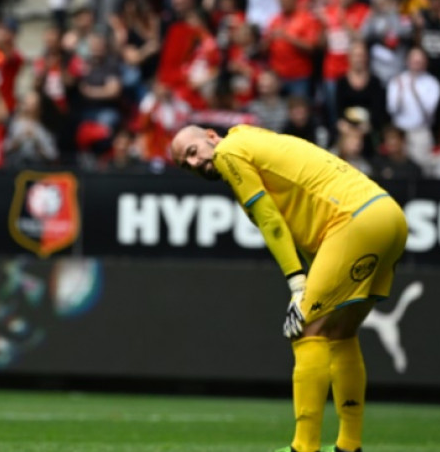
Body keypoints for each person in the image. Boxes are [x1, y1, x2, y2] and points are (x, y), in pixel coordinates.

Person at [171, 124, 408, 452]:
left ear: (211, 136)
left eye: (193, 152)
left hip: (353, 221)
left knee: (306, 330)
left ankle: (303, 447)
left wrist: (298, 284)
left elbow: (269, 219)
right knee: (341, 333)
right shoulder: (254, 139)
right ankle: (349, 446)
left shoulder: (228, 152)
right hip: (388, 215)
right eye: (186, 165)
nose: (195, 164)